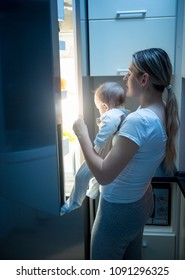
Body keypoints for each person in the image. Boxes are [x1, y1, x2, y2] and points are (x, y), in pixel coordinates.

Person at [73, 48, 180, 259]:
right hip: (140, 203)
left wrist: (82, 134)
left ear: (144, 79)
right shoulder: (164, 109)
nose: (125, 77)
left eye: (130, 73)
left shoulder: (139, 121)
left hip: (118, 211)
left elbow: (103, 175)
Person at [61, 82, 130, 215]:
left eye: (99, 107)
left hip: (103, 150)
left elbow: (108, 126)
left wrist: (96, 145)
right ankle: (91, 193)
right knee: (95, 176)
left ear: (105, 106)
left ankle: (73, 204)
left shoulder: (111, 115)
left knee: (81, 175)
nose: (100, 110)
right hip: (112, 151)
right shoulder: (124, 113)